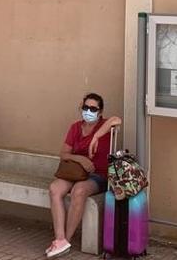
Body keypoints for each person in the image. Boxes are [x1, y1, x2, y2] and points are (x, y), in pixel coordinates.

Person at [46, 93, 121, 259]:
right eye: (86, 107)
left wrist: (96, 136)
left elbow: (116, 119)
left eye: (93, 108)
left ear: (100, 112)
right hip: (76, 171)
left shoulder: (104, 125)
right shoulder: (75, 128)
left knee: (79, 191)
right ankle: (60, 239)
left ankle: (67, 238)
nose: (88, 111)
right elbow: (64, 154)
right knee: (54, 189)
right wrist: (80, 158)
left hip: (97, 175)